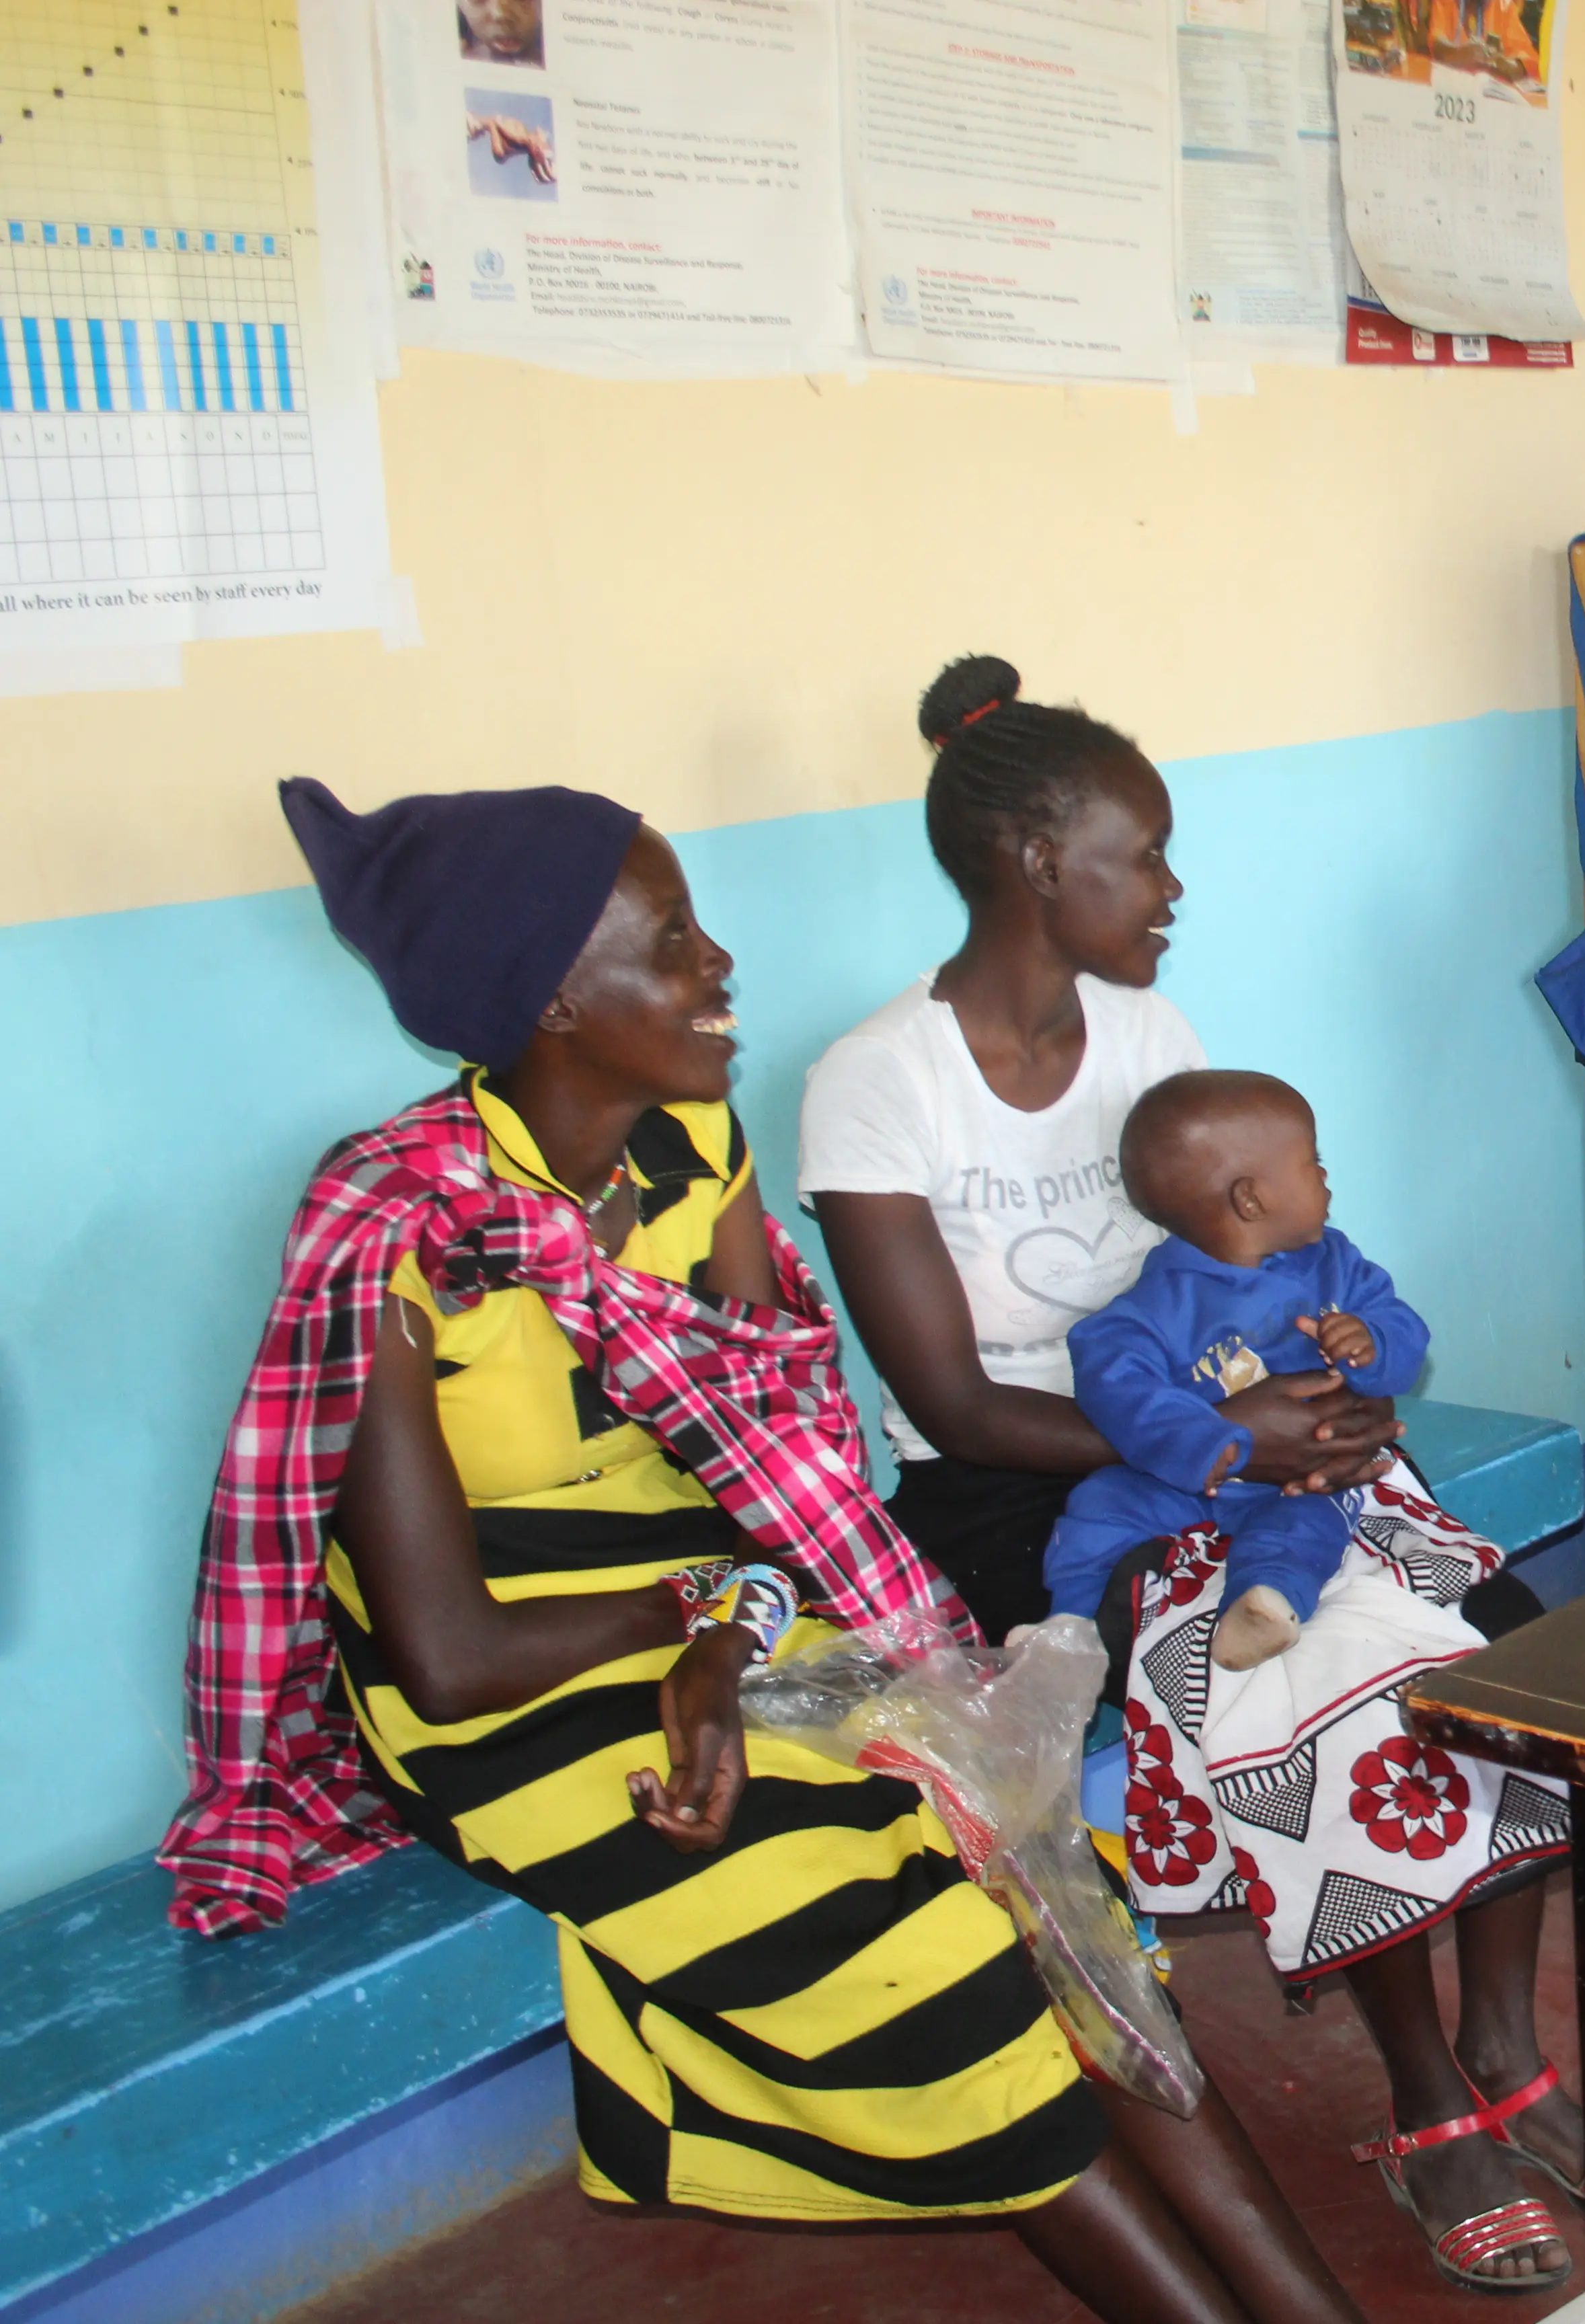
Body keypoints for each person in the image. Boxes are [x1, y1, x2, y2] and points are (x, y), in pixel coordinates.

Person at [163, 779, 1367, 2324]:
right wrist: (697, 1624)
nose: (721, 963)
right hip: (515, 1690)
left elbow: (786, 1475)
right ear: (549, 997)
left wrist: (729, 1634)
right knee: (929, 1957)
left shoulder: (689, 1150)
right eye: (672, 940)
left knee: (1051, 1895)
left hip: (734, 1620)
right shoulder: (390, 1229)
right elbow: (447, 1658)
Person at [805, 657, 1580, 2294]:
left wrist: (1310, 1394)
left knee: (1511, 1651)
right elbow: (947, 1401)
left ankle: (1506, 2038)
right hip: (1035, 1482)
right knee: (1304, 1689)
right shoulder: (879, 1078)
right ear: (1036, 863)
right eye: (1140, 854)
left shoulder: (1151, 1029)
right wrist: (1235, 1443)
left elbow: (1243, 1259)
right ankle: (1430, 2100)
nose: (1168, 889)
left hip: (1254, 1425)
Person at [1050, 1072, 1429, 1674]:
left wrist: (1373, 1340)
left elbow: (1406, 1333)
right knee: (1099, 1507)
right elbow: (1114, 1383)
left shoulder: (1337, 1266)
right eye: (1313, 1162)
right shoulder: (1157, 1304)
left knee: (1313, 1522)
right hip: (1178, 1486)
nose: (1326, 1176)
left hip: (1300, 1479)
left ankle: (1264, 1605)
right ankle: (1065, 1634)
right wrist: (1207, 1442)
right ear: (1252, 1199)